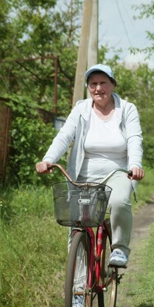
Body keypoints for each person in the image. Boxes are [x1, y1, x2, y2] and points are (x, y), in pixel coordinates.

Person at [36, 63, 144, 268]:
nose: (98, 88)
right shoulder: (81, 110)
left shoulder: (127, 109)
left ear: (113, 85)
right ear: (88, 88)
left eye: (103, 82)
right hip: (83, 176)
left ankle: (120, 249)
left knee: (120, 201)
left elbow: (134, 140)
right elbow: (64, 136)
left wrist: (136, 165)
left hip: (118, 172)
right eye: (93, 84)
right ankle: (78, 289)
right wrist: (48, 159)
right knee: (78, 227)